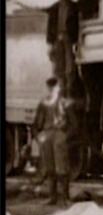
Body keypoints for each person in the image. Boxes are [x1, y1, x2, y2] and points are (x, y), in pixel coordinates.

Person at [11, 0, 79, 92]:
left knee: (70, 69)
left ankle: (70, 89)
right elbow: (50, 26)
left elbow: (77, 25)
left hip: (69, 40)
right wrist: (50, 44)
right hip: (58, 39)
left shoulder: (74, 7)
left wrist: (76, 42)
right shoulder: (55, 8)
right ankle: (62, 92)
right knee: (58, 68)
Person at [33, 77, 75, 207]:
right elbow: (35, 125)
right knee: (49, 167)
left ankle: (65, 197)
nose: (51, 91)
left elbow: (74, 124)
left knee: (62, 167)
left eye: (54, 89)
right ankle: (52, 196)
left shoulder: (64, 104)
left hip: (59, 134)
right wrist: (38, 137)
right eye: (49, 89)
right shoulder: (42, 105)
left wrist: (65, 136)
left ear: (58, 89)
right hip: (46, 134)